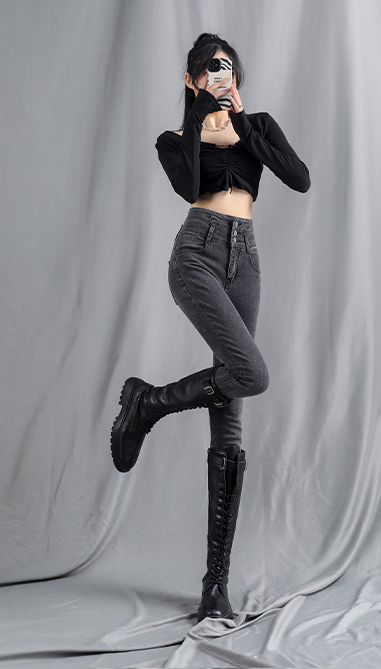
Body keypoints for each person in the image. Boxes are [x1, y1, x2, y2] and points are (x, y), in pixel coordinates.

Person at [110, 32, 311, 623]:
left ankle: (214, 586)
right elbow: (190, 187)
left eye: (228, 69)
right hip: (196, 253)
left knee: (232, 407)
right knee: (252, 374)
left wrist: (243, 126)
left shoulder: (258, 126)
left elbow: (299, 178)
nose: (222, 76)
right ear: (192, 79)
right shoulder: (174, 140)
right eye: (210, 70)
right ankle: (146, 404)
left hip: (245, 258)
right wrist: (201, 119)